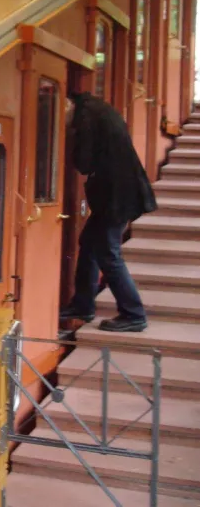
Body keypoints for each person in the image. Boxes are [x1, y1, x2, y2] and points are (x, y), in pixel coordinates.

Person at [61, 91, 157, 333]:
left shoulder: (86, 117)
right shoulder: (97, 110)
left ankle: (133, 314)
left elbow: (83, 163)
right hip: (118, 194)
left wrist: (72, 137)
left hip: (117, 196)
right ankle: (83, 305)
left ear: (68, 105)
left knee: (108, 253)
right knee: (90, 243)